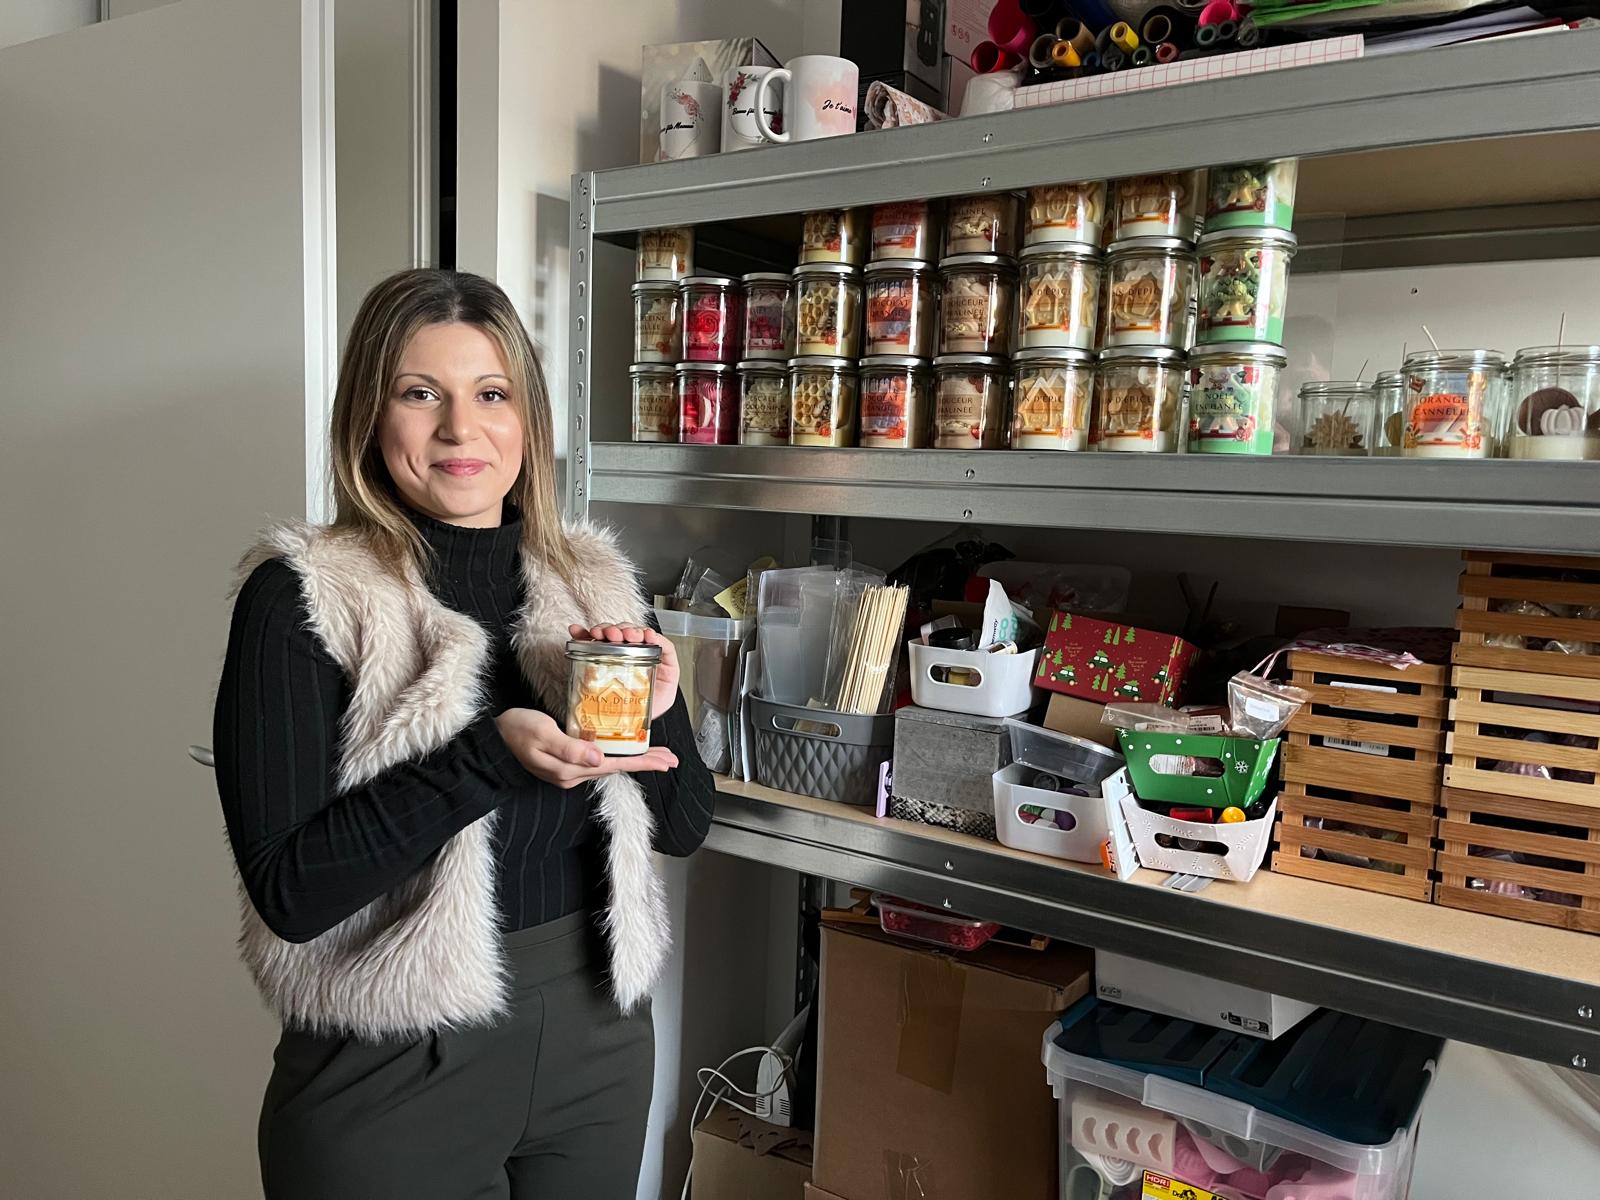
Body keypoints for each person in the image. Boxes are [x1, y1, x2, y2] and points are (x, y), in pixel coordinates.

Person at [212, 268, 715, 1199]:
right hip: (392, 1063)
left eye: (491, 394)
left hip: (597, 1039)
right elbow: (289, 890)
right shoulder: (303, 597)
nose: (459, 428)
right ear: (370, 416)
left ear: (528, 419)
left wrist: (654, 711)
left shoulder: (597, 584)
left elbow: (685, 827)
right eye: (419, 393)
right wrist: (484, 759)